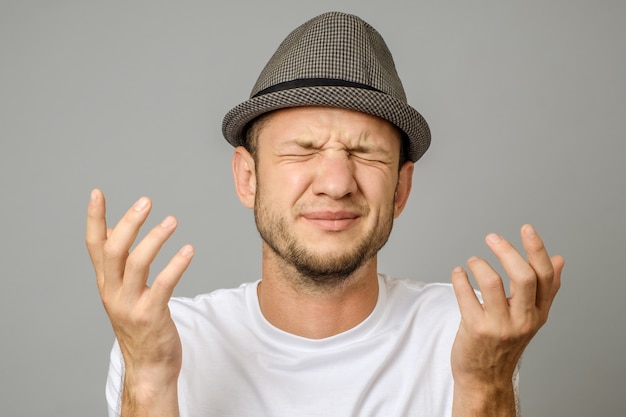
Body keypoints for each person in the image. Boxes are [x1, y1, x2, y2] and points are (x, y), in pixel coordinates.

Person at [86, 11, 564, 417]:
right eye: (302, 150)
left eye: (366, 153)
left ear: (401, 187)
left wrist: (485, 383)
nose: (337, 183)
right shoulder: (170, 336)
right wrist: (147, 376)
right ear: (248, 178)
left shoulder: (466, 330)